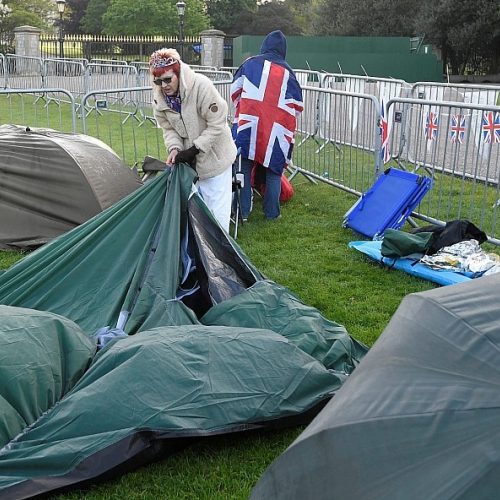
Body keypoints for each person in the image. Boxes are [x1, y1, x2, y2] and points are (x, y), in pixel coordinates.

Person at [150, 48, 236, 232]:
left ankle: (220, 259)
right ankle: (198, 258)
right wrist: (174, 149)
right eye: (158, 81)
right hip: (191, 166)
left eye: (167, 79)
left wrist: (195, 149)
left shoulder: (201, 86)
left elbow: (218, 122)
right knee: (195, 216)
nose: (163, 85)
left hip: (216, 161)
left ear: (178, 73)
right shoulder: (159, 100)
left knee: (217, 217)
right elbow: (169, 128)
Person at [231, 30, 303, 221]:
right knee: (273, 170)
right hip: (277, 130)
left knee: (243, 167)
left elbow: (235, 91)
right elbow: (298, 106)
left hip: (249, 126)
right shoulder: (289, 73)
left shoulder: (249, 64)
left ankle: (243, 212)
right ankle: (272, 213)